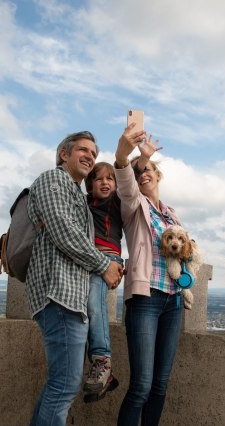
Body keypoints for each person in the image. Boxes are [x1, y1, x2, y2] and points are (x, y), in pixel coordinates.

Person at [24, 131, 123, 426]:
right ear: (64, 154)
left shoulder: (76, 192)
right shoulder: (53, 180)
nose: (90, 156)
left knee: (59, 382)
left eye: (93, 153)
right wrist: (104, 265)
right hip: (59, 295)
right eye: (83, 150)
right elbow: (63, 231)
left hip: (70, 297)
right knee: (65, 385)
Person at [113, 124, 186, 426]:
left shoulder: (171, 213)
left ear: (159, 176)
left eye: (149, 170)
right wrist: (135, 157)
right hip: (146, 299)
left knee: (160, 384)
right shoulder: (133, 205)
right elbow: (124, 175)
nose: (143, 174)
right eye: (139, 171)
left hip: (174, 300)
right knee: (141, 385)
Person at [82, 150, 155, 402]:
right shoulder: (83, 203)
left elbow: (129, 176)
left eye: (109, 178)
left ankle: (102, 360)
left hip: (109, 258)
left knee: (95, 304)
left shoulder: (117, 201)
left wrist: (143, 159)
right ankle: (103, 375)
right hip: (86, 259)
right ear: (90, 184)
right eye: (99, 179)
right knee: (82, 311)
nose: (105, 183)